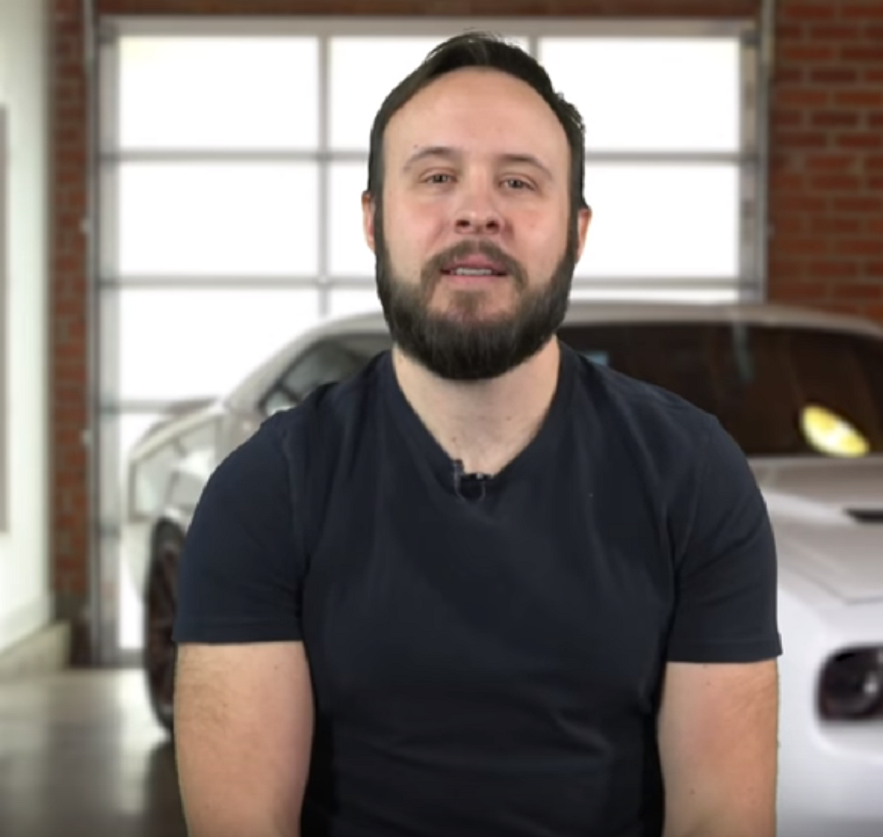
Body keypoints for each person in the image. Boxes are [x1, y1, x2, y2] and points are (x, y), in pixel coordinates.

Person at [170, 31, 781, 837]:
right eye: (436, 176)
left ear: (578, 230)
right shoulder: (265, 492)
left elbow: (720, 824)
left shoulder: (693, 476)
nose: (476, 209)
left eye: (520, 181)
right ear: (372, 219)